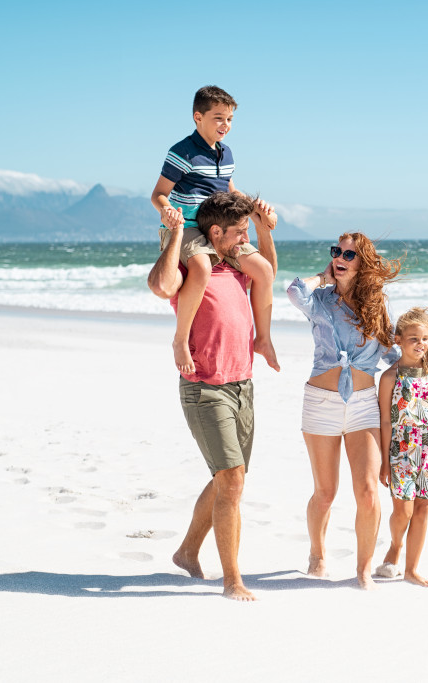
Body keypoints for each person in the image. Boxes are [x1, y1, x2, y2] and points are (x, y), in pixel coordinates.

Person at [148, 191, 278, 601]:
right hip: (205, 388)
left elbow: (268, 271)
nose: (244, 241)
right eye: (238, 234)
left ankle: (187, 552)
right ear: (215, 233)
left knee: (229, 480)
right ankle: (232, 580)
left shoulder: (235, 266)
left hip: (242, 386)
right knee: (232, 481)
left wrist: (260, 227)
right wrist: (173, 236)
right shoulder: (192, 272)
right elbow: (161, 284)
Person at [286, 234, 402, 590]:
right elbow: (293, 290)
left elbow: (394, 353)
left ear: (362, 262)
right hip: (321, 404)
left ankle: (363, 569)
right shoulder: (319, 299)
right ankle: (317, 554)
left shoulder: (378, 306)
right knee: (325, 493)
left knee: (368, 490)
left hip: (364, 405)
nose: (340, 257)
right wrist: (323, 277)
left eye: (348, 254)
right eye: (336, 251)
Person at [148, 85, 280, 376]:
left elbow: (227, 189)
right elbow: (158, 193)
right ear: (198, 117)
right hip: (189, 226)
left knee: (264, 270)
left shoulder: (226, 153)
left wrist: (254, 208)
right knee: (202, 267)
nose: (226, 125)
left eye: (230, 119)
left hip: (220, 227)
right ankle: (180, 340)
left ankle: (263, 339)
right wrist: (166, 210)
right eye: (219, 118)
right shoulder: (182, 152)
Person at [375, 307, 428, 587]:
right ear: (398, 340)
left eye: (424, 339)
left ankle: (411, 569)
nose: (420, 344)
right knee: (403, 512)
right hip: (401, 451)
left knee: (423, 509)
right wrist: (385, 461)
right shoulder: (389, 378)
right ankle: (396, 545)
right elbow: (385, 421)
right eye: (413, 338)